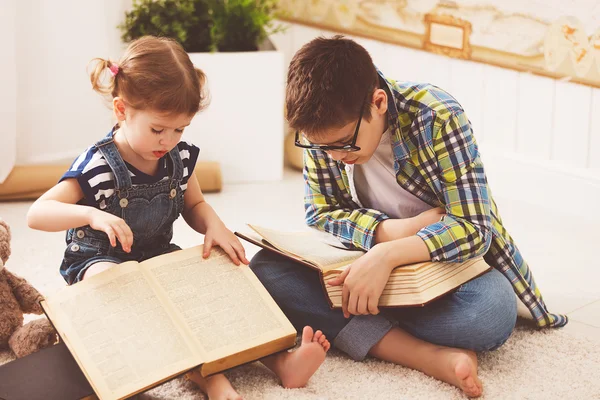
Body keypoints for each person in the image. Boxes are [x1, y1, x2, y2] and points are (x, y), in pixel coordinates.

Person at [250, 35, 568, 398]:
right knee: (266, 269)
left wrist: (388, 256)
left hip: (442, 271)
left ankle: (361, 324)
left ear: (378, 102)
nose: (334, 156)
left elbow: (474, 228)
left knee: (490, 313)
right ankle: (426, 356)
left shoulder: (438, 115)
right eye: (320, 147)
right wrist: (391, 234)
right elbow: (321, 211)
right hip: (362, 261)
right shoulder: (326, 132)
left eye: (342, 144)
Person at [27, 36, 330, 400]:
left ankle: (280, 361)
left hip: (156, 256)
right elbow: (37, 214)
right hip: (99, 261)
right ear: (122, 110)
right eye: (158, 129)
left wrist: (214, 226)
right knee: (143, 304)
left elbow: (195, 205)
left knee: (213, 293)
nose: (168, 140)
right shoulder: (99, 164)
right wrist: (91, 214)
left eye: (180, 129)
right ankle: (213, 382)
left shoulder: (178, 158)